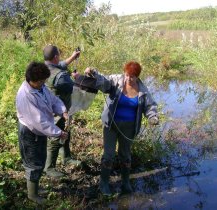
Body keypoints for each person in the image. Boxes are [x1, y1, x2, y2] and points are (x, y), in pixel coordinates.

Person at [85, 61, 159, 195]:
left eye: (132, 76)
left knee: (125, 155)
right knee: (109, 155)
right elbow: (104, 81)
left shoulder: (143, 90)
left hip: (129, 128)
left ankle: (125, 182)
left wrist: (152, 117)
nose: (129, 79)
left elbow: (150, 106)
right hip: (111, 125)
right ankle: (104, 183)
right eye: (127, 75)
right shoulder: (116, 81)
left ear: (137, 76)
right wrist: (94, 73)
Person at [16, 61, 69, 204]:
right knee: (33, 163)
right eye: (41, 81)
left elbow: (53, 100)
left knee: (40, 158)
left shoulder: (40, 87)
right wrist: (58, 133)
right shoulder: (26, 95)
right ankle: (32, 195)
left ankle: (36, 188)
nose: (44, 83)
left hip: (40, 131)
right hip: (30, 132)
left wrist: (62, 111)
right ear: (32, 80)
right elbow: (39, 122)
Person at [43, 44, 81, 178]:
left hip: (49, 107)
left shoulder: (45, 68)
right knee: (56, 137)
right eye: (58, 55)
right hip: (60, 111)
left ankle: (66, 157)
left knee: (66, 131)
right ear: (55, 57)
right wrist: (77, 78)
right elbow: (75, 88)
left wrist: (72, 57)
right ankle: (49, 168)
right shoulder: (61, 76)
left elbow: (60, 64)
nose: (59, 58)